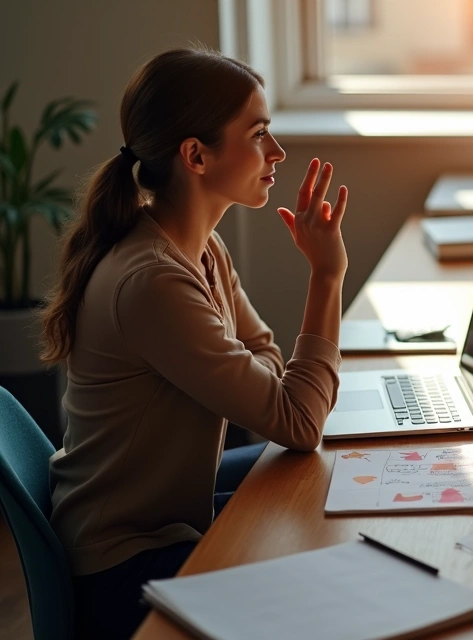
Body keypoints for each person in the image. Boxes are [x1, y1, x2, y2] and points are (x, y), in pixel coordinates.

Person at [38, 48, 349, 639]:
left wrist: (270, 384)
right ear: (195, 155)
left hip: (169, 519)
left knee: (317, 495)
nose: (277, 152)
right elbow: (295, 417)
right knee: (320, 577)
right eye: (259, 134)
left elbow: (272, 368)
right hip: (124, 566)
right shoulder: (153, 281)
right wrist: (326, 275)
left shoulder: (201, 249)